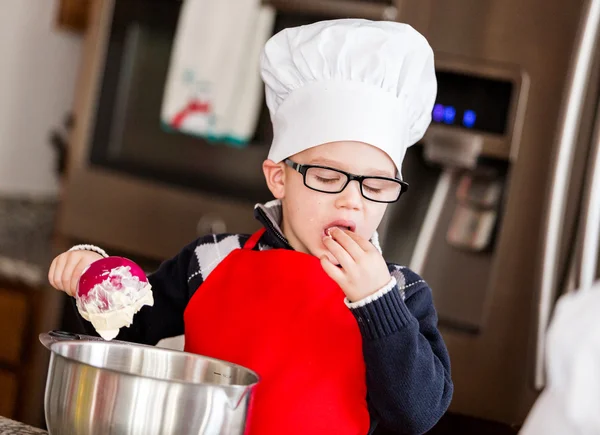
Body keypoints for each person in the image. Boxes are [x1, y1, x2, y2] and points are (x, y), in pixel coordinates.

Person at [48, 19, 453, 435]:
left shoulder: (400, 294)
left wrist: (376, 302)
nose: (353, 199)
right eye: (328, 178)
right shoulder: (210, 261)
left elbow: (417, 414)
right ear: (279, 178)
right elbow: (131, 335)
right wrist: (95, 282)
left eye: (376, 184)